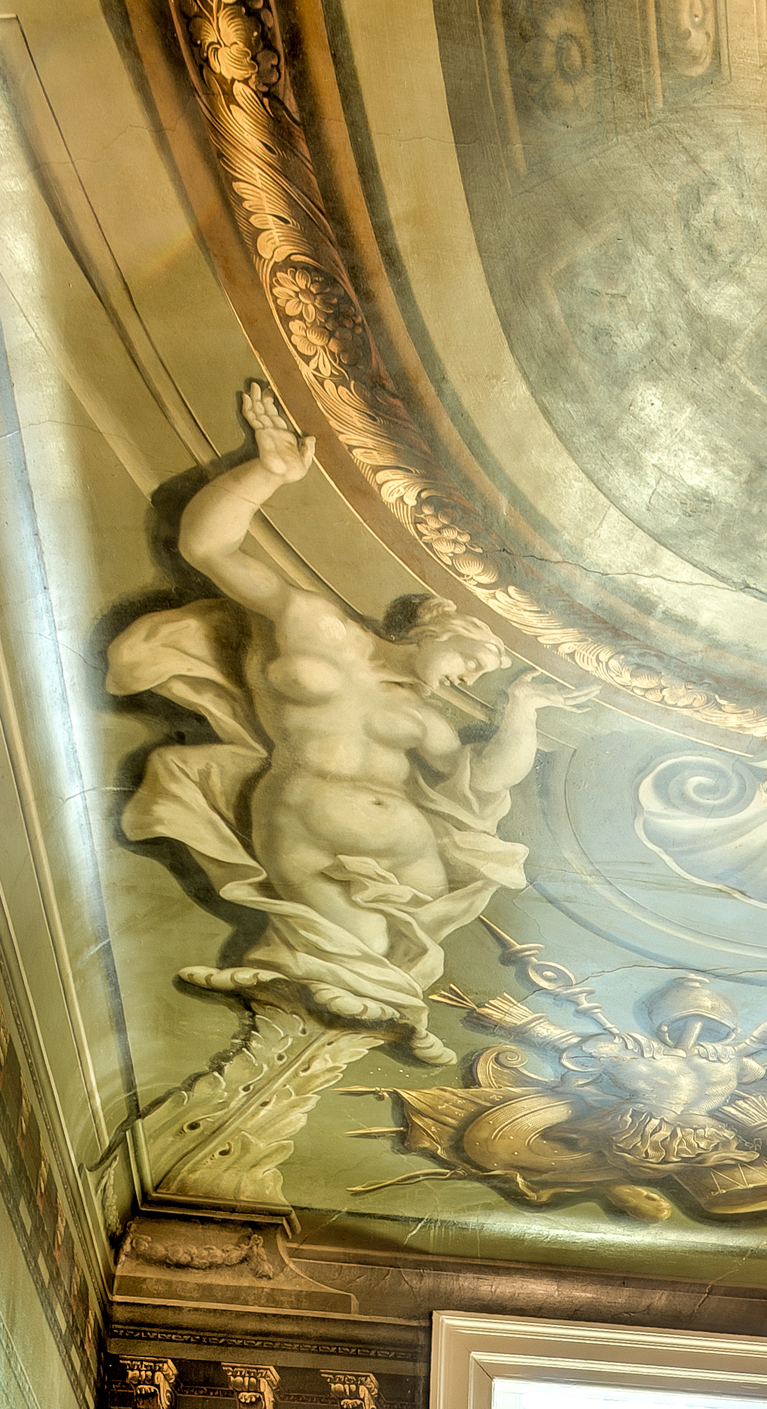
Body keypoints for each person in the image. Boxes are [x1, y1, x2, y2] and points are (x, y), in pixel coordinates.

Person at [109, 383, 566, 1058]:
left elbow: (485, 782)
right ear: (439, 624)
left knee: (378, 958)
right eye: (477, 657)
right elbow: (208, 548)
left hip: (408, 862)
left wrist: (521, 711)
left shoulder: (424, 720)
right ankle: (298, 1002)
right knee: (338, 954)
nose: (475, 677)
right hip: (303, 818)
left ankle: (347, 1011)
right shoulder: (315, 626)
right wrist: (266, 472)